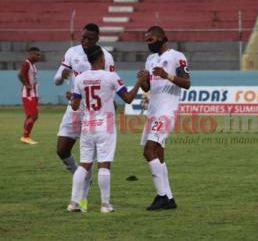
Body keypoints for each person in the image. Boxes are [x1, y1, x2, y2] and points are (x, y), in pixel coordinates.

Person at [67, 45, 147, 213]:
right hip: (105, 126)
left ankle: (74, 203)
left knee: (84, 165)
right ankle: (105, 204)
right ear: (102, 60)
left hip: (87, 126)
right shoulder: (111, 76)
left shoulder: (80, 78)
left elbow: (74, 106)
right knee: (104, 165)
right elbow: (128, 99)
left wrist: (72, 97)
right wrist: (139, 82)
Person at [53, 23, 115, 211]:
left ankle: (81, 199)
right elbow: (56, 80)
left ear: (97, 38)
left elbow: (109, 86)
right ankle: (82, 178)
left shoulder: (106, 57)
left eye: (89, 38)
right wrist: (62, 76)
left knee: (96, 157)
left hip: (95, 113)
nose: (85, 41)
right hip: (75, 108)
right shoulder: (72, 52)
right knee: (62, 150)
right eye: (83, 37)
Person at [138, 26, 191, 210]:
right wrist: (143, 79)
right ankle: (169, 198)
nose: (148, 44)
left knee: (149, 151)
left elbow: (187, 83)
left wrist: (167, 75)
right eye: (147, 40)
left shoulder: (177, 56)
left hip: (166, 111)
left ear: (162, 39)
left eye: (151, 40)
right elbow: (147, 88)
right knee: (158, 155)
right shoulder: (150, 59)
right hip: (153, 111)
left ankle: (162, 196)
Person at [18, 47, 41, 145]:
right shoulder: (26, 63)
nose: (39, 56)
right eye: (37, 54)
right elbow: (19, 74)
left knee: (29, 116)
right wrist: (26, 84)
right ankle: (25, 136)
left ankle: (25, 137)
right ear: (31, 54)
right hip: (28, 94)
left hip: (33, 94)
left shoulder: (33, 65)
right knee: (34, 116)